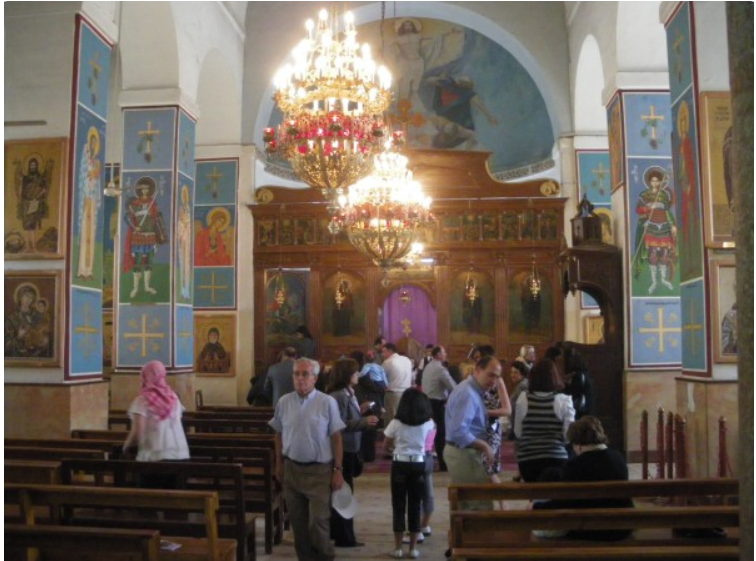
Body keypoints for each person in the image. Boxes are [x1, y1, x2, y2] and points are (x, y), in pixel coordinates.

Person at [269, 358, 345, 561]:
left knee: (318, 522)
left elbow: (337, 437)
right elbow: (278, 434)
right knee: (299, 525)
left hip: (320, 471)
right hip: (292, 469)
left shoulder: (327, 402)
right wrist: (278, 464)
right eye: (296, 374)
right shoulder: (284, 401)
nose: (300, 378)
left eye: (305, 374)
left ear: (315, 378)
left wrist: (338, 469)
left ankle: (325, 557)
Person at [532, 416, 633, 541]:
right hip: (623, 526)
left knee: (540, 532)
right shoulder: (618, 457)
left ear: (578, 445)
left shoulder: (576, 465)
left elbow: (567, 503)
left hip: (593, 529)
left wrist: (536, 507)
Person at [327, 359, 379, 548]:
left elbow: (347, 417)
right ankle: (344, 537)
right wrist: (364, 422)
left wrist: (360, 410)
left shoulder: (349, 393)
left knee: (344, 492)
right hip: (343, 450)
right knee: (343, 494)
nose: (358, 375)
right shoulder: (338, 396)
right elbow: (337, 426)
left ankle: (338, 532)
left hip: (351, 448)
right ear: (347, 375)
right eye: (356, 372)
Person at [444, 356, 503, 510]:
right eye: (490, 375)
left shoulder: (470, 389)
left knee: (464, 505)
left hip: (462, 452)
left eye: (497, 377)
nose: (493, 381)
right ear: (477, 370)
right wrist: (484, 446)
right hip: (463, 454)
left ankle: (463, 534)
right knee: (480, 506)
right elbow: (458, 431)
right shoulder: (468, 393)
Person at [383, 388, 436, 559]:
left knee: (398, 506)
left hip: (399, 463)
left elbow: (385, 446)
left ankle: (398, 548)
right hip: (419, 463)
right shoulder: (429, 423)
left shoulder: (395, 423)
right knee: (415, 505)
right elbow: (430, 445)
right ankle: (413, 548)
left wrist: (396, 451)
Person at [122, 361, 190, 488]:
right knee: (176, 501)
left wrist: (126, 447)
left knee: (149, 501)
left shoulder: (142, 400)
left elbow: (138, 433)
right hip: (180, 457)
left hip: (154, 458)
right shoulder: (174, 397)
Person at [514, 359, 575, 483]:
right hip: (556, 458)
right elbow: (568, 436)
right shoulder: (563, 400)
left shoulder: (523, 398)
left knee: (535, 494)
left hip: (528, 460)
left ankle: (533, 502)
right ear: (555, 377)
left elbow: (518, 432)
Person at [633, 166, 676, 294]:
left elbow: (667, 211)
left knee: (664, 255)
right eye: (653, 181)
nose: (655, 183)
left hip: (664, 226)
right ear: (649, 182)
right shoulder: (644, 195)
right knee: (652, 255)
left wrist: (673, 225)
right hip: (651, 225)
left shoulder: (663, 195)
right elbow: (638, 210)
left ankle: (663, 280)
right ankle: (654, 282)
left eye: (657, 181)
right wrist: (648, 207)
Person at [123, 177, 166, 298]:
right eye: (143, 188)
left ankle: (147, 287)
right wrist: (134, 227)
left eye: (147, 188)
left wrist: (159, 229)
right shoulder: (134, 204)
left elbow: (157, 218)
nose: (145, 190)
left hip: (150, 236)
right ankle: (135, 288)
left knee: (149, 261)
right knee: (137, 261)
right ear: (140, 190)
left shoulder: (153, 203)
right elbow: (126, 217)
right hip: (138, 237)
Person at [421, 345, 457, 472]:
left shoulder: (429, 366)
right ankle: (444, 464)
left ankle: (434, 460)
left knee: (432, 432)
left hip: (427, 402)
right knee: (441, 434)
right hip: (436, 403)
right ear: (437, 355)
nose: (446, 353)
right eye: (444, 352)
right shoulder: (440, 369)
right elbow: (453, 386)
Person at [13, 155, 54, 253]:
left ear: (37, 166)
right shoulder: (26, 178)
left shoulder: (40, 178)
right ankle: (28, 246)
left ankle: (34, 247)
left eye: (34, 165)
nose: (33, 167)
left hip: (35, 203)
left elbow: (45, 185)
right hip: (27, 203)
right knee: (27, 226)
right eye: (31, 165)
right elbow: (20, 185)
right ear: (29, 166)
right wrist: (18, 166)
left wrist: (49, 165)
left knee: (33, 225)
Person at [481, 356, 512, 482]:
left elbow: (507, 410)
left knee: (488, 467)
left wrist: (485, 412)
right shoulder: (474, 381)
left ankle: (501, 501)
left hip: (492, 426)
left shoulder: (498, 381)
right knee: (479, 467)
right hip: (476, 427)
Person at [76, 127, 102, 279]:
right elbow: (83, 176)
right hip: (86, 199)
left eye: (94, 143)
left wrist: (95, 175)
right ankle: (81, 269)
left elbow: (96, 179)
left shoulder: (97, 162)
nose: (93, 146)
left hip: (92, 199)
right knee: (85, 231)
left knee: (91, 234)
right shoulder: (86, 161)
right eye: (91, 143)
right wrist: (90, 175)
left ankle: (89, 269)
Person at [382, 343, 414, 428]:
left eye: (384, 352)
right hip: (407, 393)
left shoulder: (388, 362)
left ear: (390, 351)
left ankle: (391, 440)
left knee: (392, 419)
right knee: (404, 417)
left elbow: (381, 378)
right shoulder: (407, 359)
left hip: (393, 394)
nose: (382, 354)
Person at [562, 347, 595, 420]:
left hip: (581, 408)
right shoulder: (585, 374)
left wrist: (567, 384)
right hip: (587, 407)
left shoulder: (578, 376)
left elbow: (574, 391)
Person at [176, 184, 192, 300]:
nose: (185, 198)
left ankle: (186, 290)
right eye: (184, 195)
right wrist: (184, 227)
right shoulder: (181, 209)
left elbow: (189, 223)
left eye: (186, 195)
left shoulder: (188, 208)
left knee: (187, 266)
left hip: (188, 244)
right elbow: (180, 224)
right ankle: (182, 289)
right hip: (182, 244)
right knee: (182, 265)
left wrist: (188, 226)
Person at [507, 361, 529, 441]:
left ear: (522, 374)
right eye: (511, 372)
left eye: (516, 372)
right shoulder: (521, 384)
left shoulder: (522, 386)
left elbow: (519, 407)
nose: (512, 375)